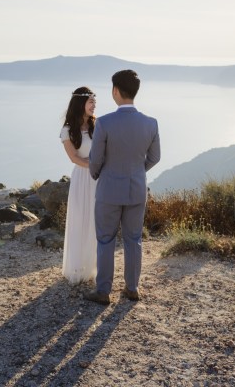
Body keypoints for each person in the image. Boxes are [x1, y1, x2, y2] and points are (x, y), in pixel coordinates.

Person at [85, 70, 160, 304]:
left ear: (115, 91)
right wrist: (137, 172)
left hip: (108, 189)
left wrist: (98, 174)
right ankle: (132, 287)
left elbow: (95, 159)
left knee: (105, 239)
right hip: (136, 189)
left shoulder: (105, 123)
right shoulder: (151, 123)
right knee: (133, 239)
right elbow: (155, 157)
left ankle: (103, 291)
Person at [59, 86, 98, 283]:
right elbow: (74, 157)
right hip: (82, 179)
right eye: (90, 101)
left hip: (99, 179)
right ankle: (77, 268)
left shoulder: (97, 125)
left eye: (94, 102)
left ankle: (93, 267)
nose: (94, 105)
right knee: (80, 221)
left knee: (95, 222)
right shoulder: (67, 130)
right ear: (80, 103)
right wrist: (95, 167)